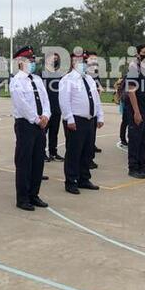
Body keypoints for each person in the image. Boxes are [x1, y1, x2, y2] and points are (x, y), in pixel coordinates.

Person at [10, 46, 51, 211]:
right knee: (24, 162)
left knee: (38, 161)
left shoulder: (37, 79)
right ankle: (23, 198)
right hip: (26, 124)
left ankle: (34, 194)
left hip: (41, 124)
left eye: (33, 60)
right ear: (20, 62)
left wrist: (46, 115)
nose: (32, 62)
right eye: (28, 60)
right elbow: (22, 104)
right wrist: (36, 119)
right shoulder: (16, 81)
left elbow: (45, 99)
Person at [59, 51, 104, 194]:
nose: (84, 64)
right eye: (80, 61)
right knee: (74, 151)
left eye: (85, 62)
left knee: (87, 151)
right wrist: (69, 118)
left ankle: (84, 179)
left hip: (89, 120)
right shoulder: (67, 79)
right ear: (73, 63)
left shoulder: (89, 79)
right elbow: (64, 101)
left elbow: (96, 99)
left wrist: (100, 116)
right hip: (76, 120)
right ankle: (71, 181)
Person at [125, 44, 145, 179]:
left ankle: (142, 165)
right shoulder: (134, 68)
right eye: (144, 52)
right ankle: (133, 167)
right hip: (138, 110)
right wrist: (136, 112)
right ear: (138, 54)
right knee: (135, 139)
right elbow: (131, 90)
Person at [43, 52, 64, 161]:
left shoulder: (60, 75)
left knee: (54, 132)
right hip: (46, 108)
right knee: (43, 131)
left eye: (56, 59)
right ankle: (42, 152)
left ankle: (53, 152)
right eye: (52, 59)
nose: (54, 61)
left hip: (57, 107)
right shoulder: (42, 74)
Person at [113, 77, 128, 147]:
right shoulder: (126, 78)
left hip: (125, 100)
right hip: (126, 101)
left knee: (125, 122)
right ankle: (123, 139)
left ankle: (123, 138)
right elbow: (116, 85)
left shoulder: (126, 77)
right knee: (125, 121)